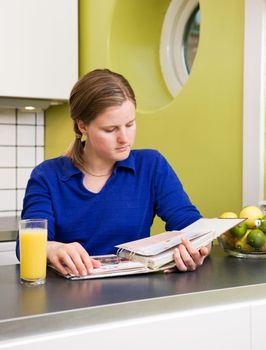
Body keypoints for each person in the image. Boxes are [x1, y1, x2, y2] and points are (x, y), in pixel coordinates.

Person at [16, 68, 211, 276]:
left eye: (130, 124)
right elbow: (26, 247)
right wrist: (52, 248)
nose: (124, 138)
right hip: (71, 299)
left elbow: (193, 227)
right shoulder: (47, 176)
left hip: (136, 296)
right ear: (83, 126)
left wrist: (198, 249)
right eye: (111, 129)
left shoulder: (152, 165)